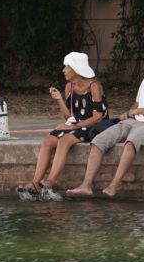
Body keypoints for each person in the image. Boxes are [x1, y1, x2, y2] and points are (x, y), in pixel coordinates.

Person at [67, 51, 144, 199]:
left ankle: (113, 186)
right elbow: (138, 103)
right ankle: (86, 186)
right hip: (133, 120)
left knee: (131, 142)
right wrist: (129, 113)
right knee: (98, 141)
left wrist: (140, 111)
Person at [17, 52, 113, 199]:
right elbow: (70, 117)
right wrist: (59, 100)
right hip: (77, 125)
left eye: (66, 67)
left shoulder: (94, 86)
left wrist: (74, 127)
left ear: (76, 68)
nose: (63, 70)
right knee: (48, 139)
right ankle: (36, 183)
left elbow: (98, 116)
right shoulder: (69, 86)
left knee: (64, 140)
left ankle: (49, 182)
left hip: (95, 126)